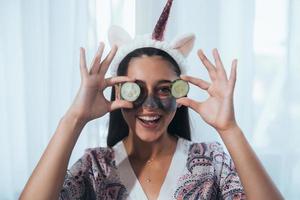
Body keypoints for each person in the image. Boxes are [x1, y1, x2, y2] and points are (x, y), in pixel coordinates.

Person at [20, 0, 283, 199]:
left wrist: (230, 129)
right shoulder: (95, 166)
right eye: (136, 88)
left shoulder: (211, 160)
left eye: (164, 89)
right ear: (119, 92)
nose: (149, 104)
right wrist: (73, 120)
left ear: (180, 93)